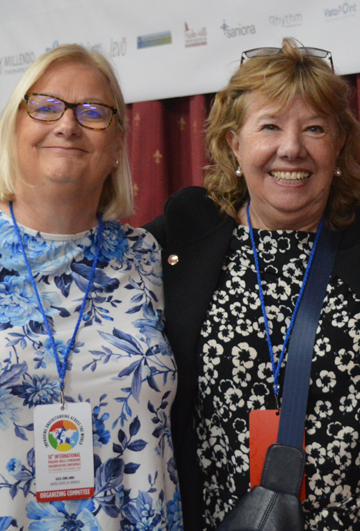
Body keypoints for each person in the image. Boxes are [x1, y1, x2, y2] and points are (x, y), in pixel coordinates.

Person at [145, 38, 360, 531]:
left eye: (315, 128)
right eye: (269, 126)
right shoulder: (184, 235)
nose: (292, 148)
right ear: (233, 144)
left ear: (339, 144)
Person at [0, 45, 181, 529]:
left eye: (93, 113)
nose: (67, 124)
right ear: (14, 125)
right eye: (44, 105)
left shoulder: (149, 255)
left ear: (119, 144)